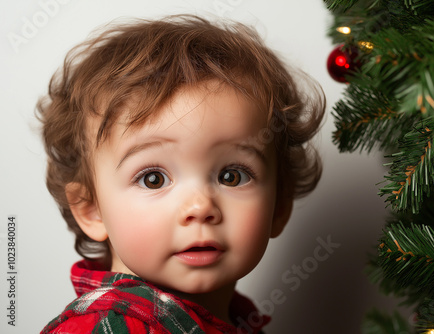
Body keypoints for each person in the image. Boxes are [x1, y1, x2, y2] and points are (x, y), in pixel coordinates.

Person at [38, 14, 325, 333]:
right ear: (91, 209)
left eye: (232, 176)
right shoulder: (111, 326)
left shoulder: (236, 321)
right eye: (153, 179)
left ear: (279, 206)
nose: (201, 207)